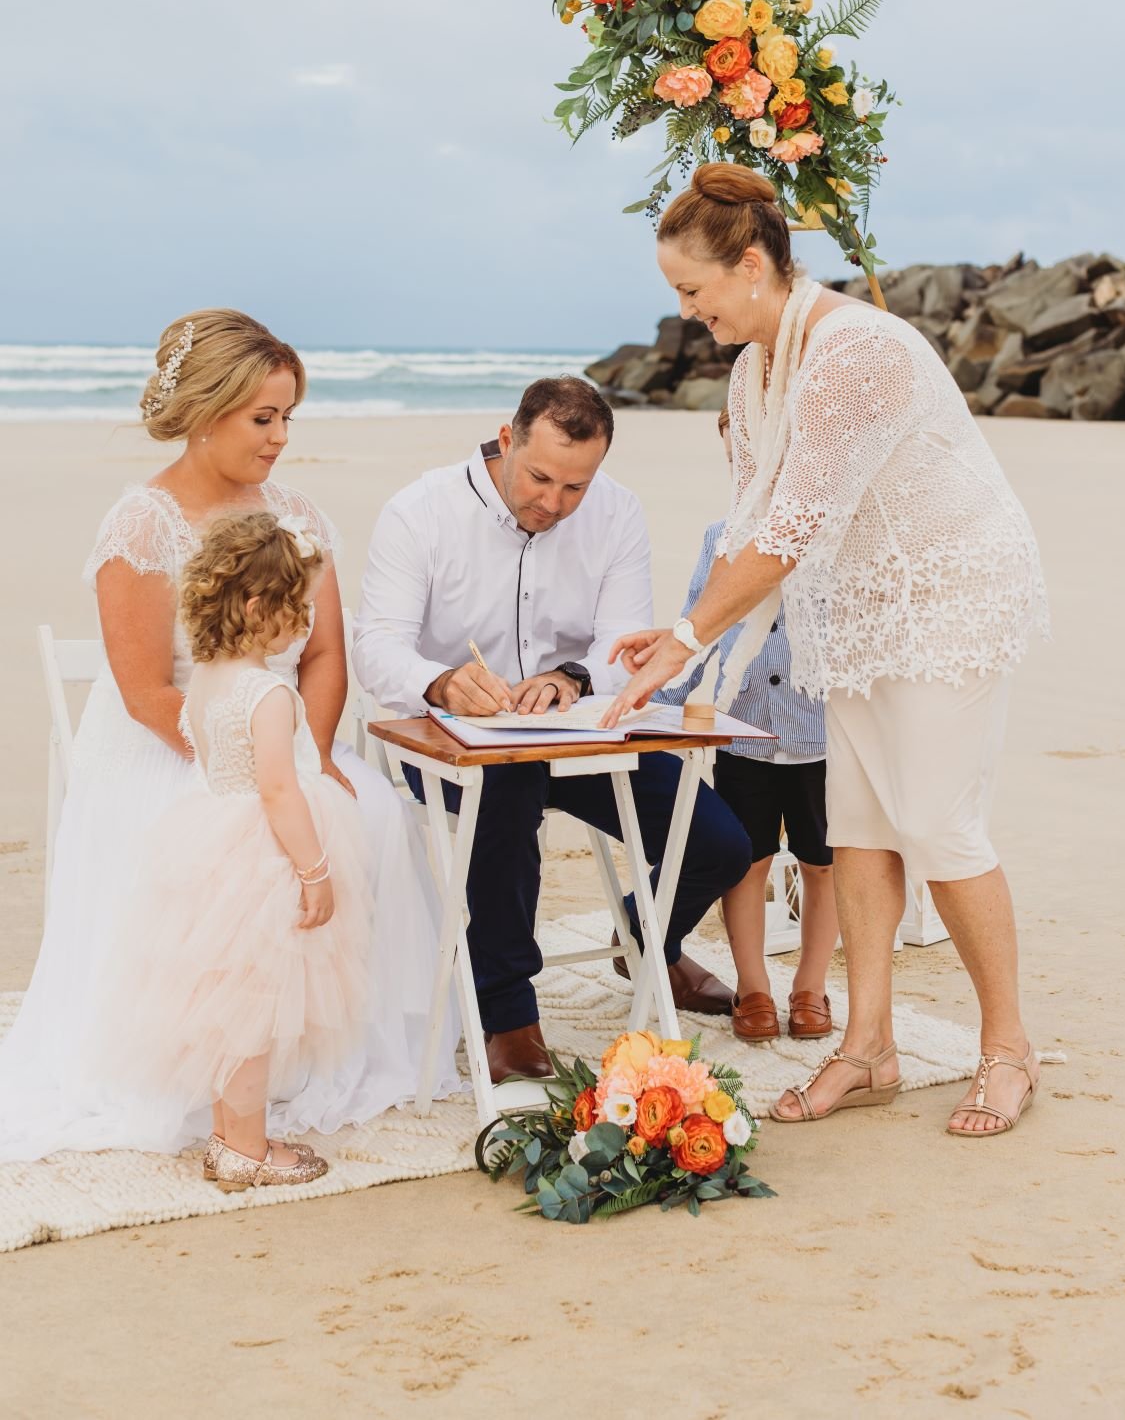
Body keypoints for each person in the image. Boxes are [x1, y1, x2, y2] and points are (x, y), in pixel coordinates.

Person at [603, 163, 1049, 1138]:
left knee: (937, 820)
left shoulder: (855, 352)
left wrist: (685, 642)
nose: (687, 313)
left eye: (693, 291)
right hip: (852, 605)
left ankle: (1008, 1047)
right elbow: (747, 523)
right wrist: (683, 635)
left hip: (948, 592)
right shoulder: (753, 367)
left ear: (753, 264)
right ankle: (870, 1048)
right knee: (859, 825)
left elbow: (787, 534)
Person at [0, 308, 457, 1165]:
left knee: (373, 820)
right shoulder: (141, 525)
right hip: (183, 738)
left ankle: (331, 1050)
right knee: (237, 850)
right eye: (263, 417)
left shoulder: (297, 515)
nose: (281, 437)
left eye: (289, 416)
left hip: (280, 733)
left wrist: (315, 753)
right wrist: (248, 767)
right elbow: (144, 691)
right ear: (208, 412)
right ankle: (217, 1082)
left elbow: (325, 654)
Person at [353, 375, 752, 1083]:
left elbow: (621, 639)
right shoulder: (420, 512)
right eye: (539, 477)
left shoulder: (617, 512)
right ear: (507, 440)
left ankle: (645, 937)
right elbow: (377, 645)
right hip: (449, 741)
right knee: (507, 796)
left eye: (575, 487)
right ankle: (506, 1011)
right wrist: (442, 682)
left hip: (581, 731)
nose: (553, 502)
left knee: (720, 843)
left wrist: (570, 676)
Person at [95, 511, 371, 1191]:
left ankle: (229, 1138)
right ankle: (247, 1149)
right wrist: (316, 869)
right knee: (254, 1011)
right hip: (265, 859)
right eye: (296, 605)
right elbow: (278, 788)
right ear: (256, 606)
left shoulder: (209, 682)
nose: (305, 621)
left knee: (228, 1007)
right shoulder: (267, 692)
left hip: (210, 846)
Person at [659, 404, 837, 1043]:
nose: (752, 469)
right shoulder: (722, 538)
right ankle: (755, 984)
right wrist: (663, 696)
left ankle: (811, 984)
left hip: (826, 737)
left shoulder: (833, 533)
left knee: (824, 865)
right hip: (746, 732)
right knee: (749, 863)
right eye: (740, 457)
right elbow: (694, 623)